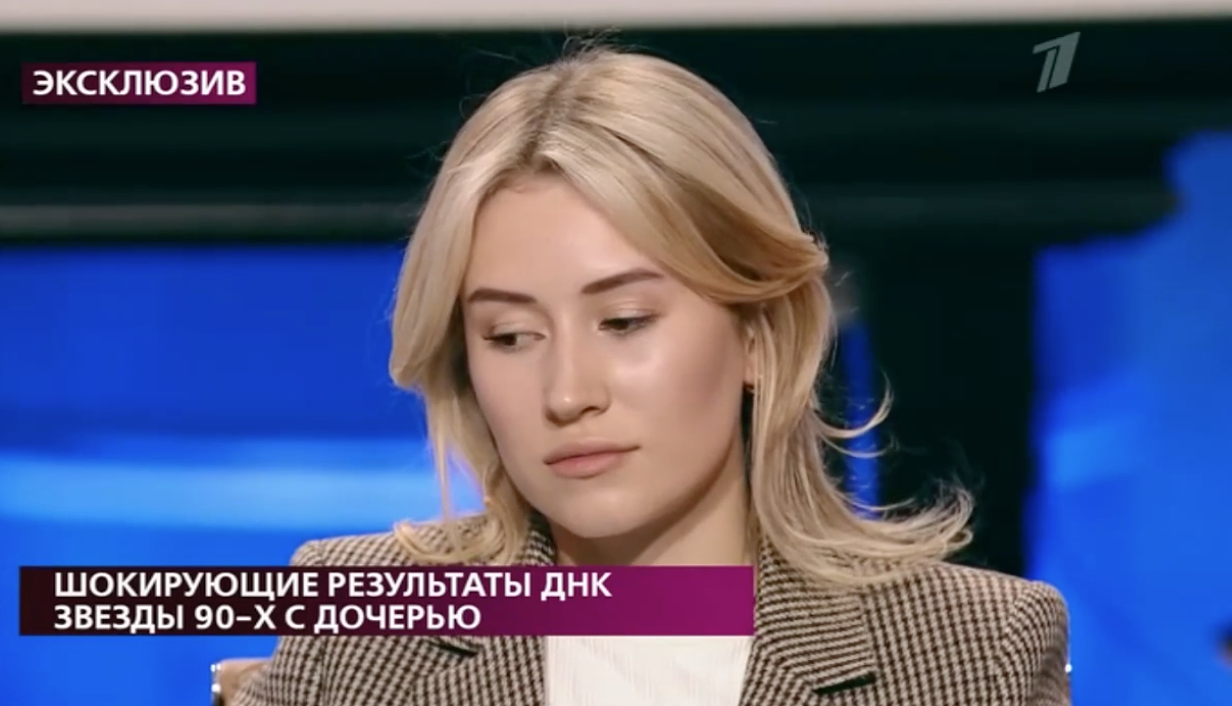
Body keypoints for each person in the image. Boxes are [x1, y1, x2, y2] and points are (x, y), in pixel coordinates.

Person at [220, 44, 1070, 706]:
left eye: (624, 322)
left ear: (758, 335)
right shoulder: (366, 633)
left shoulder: (972, 651)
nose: (567, 394)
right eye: (510, 336)